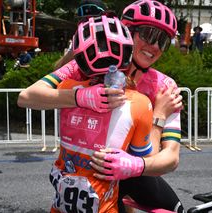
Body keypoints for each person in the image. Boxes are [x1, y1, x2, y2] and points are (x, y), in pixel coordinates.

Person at [17, 1, 184, 212]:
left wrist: (157, 118)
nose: (156, 47)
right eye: (149, 35)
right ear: (126, 31)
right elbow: (26, 97)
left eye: (164, 41)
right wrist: (80, 96)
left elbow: (170, 158)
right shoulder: (89, 62)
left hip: (132, 173)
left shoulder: (164, 87)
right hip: (86, 173)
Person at [49, 15, 152, 213]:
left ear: (79, 58)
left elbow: (31, 93)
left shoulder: (65, 89)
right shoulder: (139, 103)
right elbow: (147, 162)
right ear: (127, 54)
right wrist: (160, 117)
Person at [53, 0, 107, 70]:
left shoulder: (114, 35)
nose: (90, 23)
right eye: (85, 20)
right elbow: (58, 69)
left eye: (93, 19)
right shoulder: (78, 39)